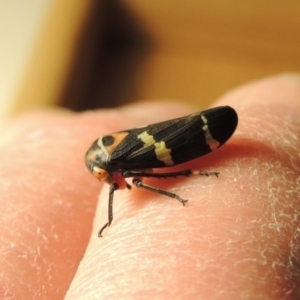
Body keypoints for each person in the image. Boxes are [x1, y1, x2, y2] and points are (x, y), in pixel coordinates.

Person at [1, 74, 299, 299]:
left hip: (188, 136)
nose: (109, 183)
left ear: (106, 166)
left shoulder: (117, 163)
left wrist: (177, 189)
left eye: (104, 176)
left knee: (143, 178)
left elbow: (144, 177)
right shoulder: (110, 161)